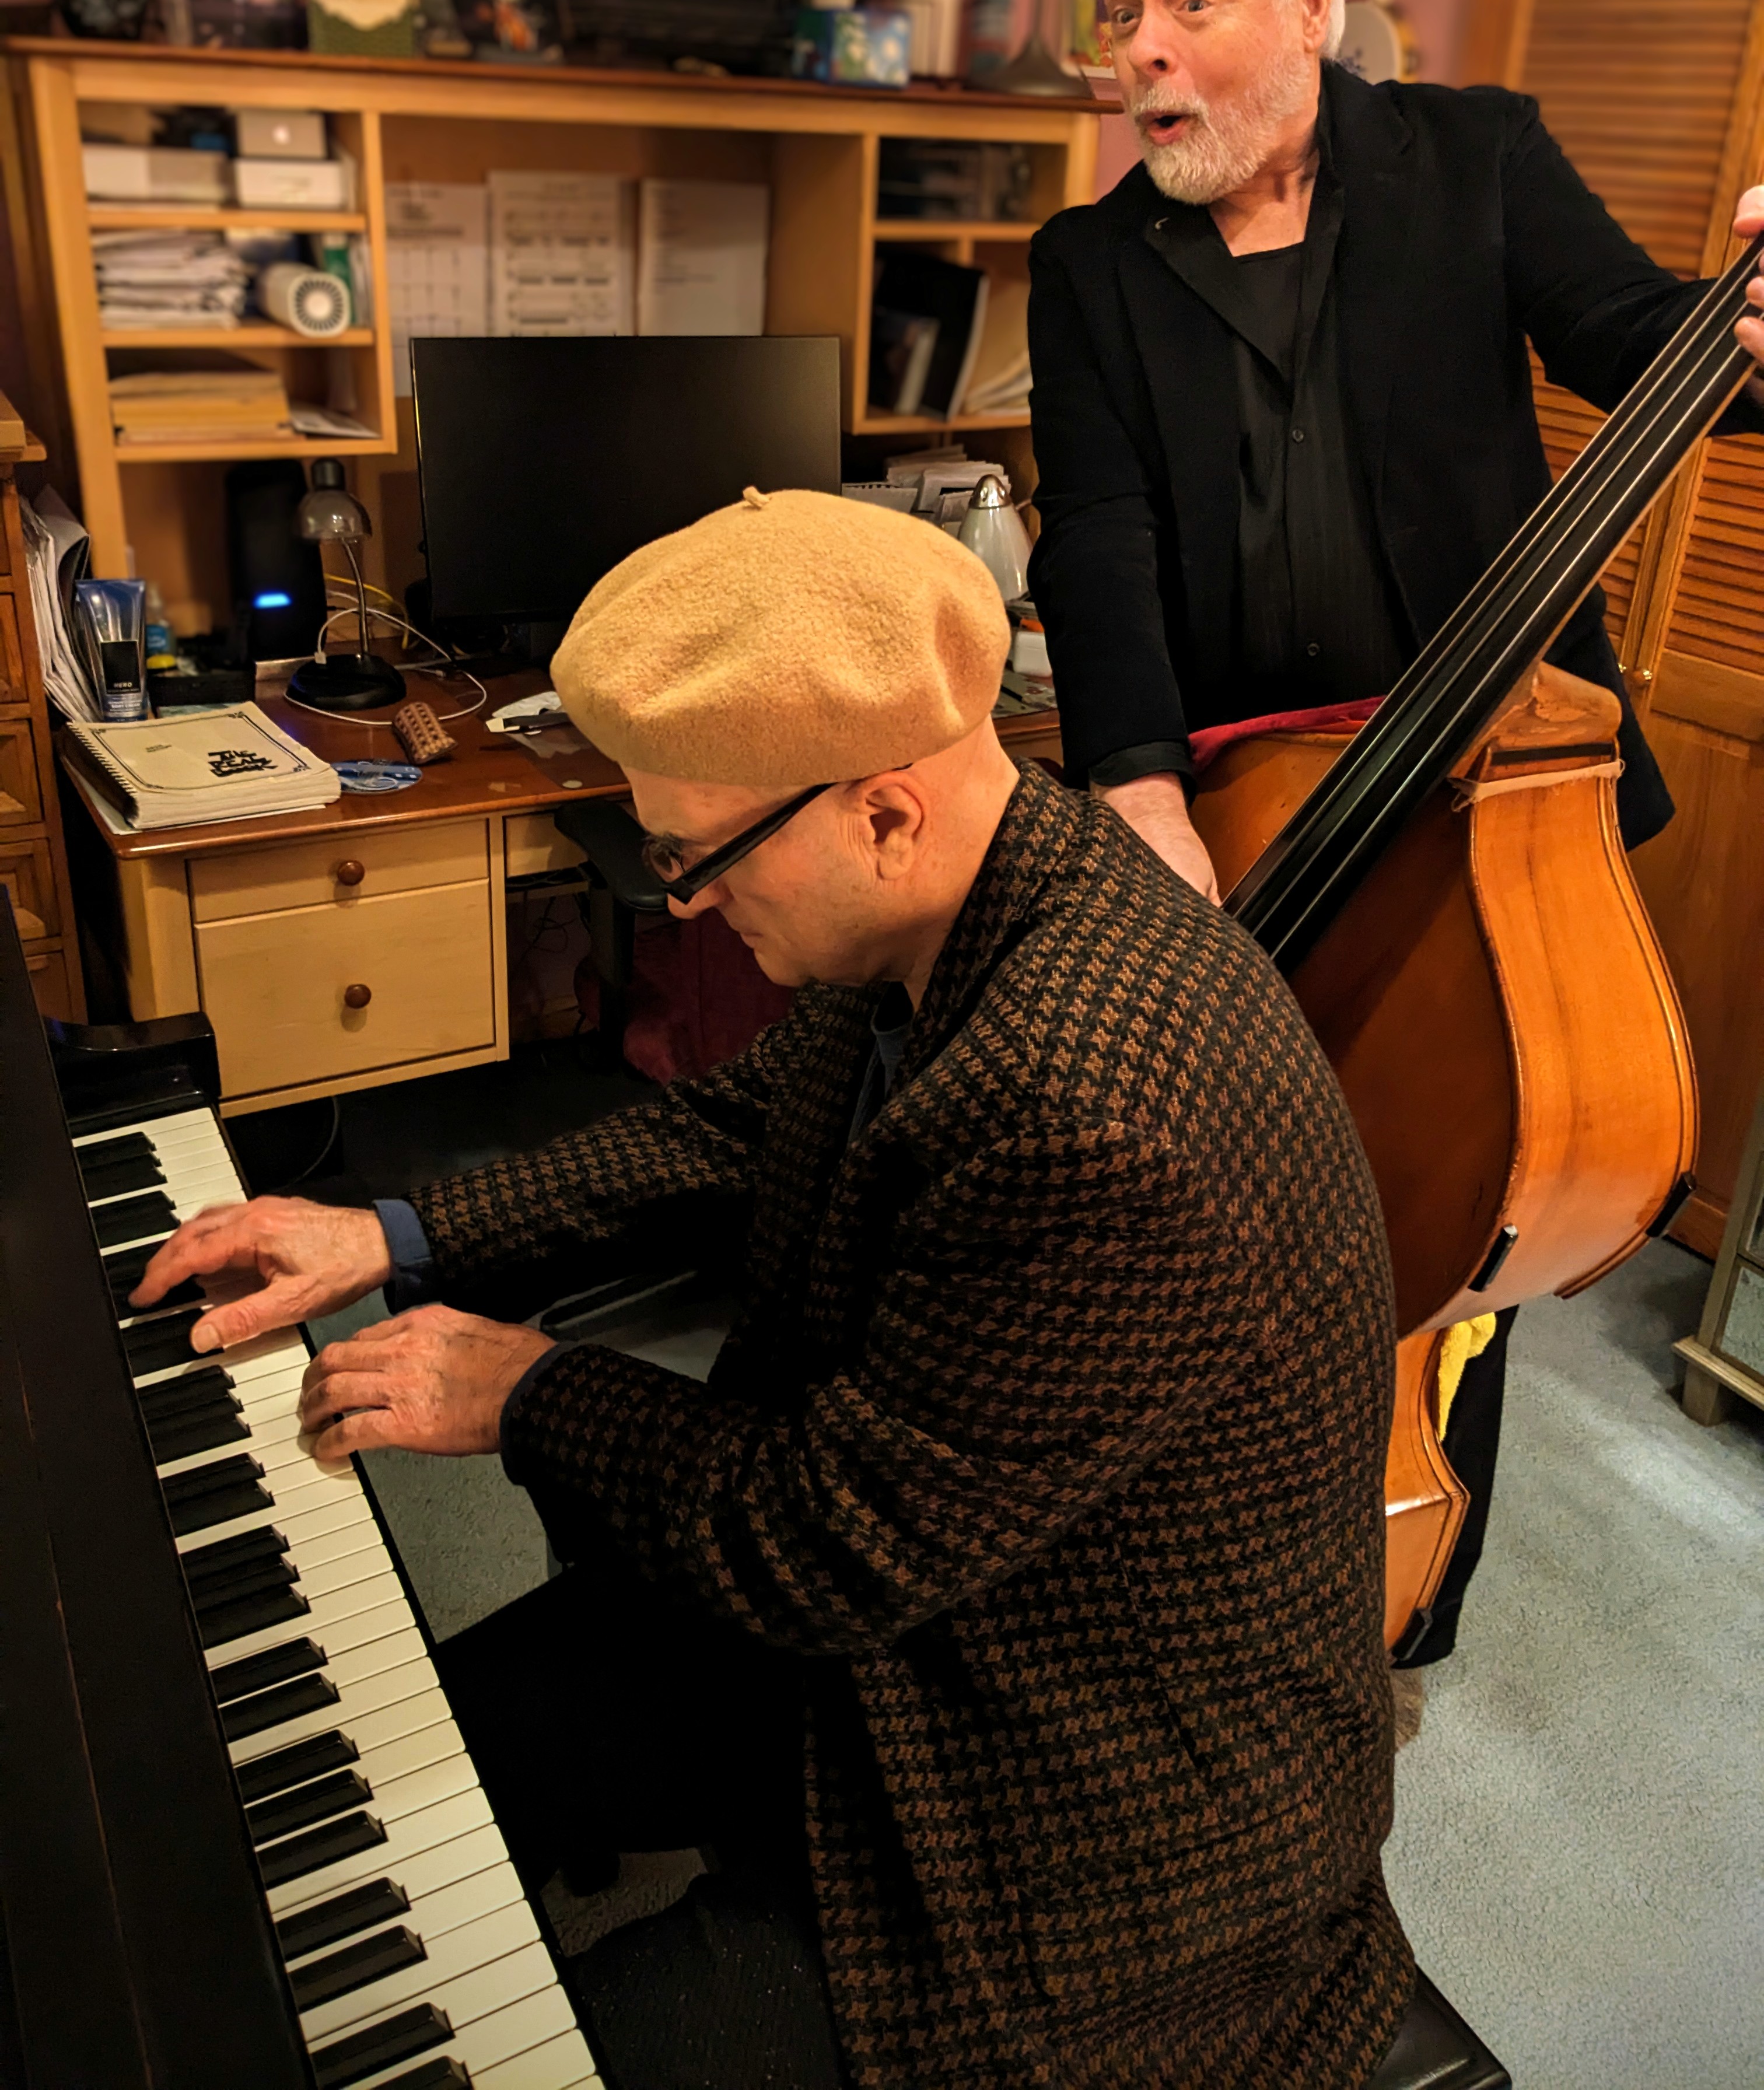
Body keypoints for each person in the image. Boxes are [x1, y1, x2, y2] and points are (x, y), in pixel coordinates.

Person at [137, 489, 1420, 2088]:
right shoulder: (987, 882)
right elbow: (733, 1127)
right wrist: (387, 1233)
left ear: (883, 814)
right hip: (909, 1616)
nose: (681, 903)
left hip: (1101, 1811)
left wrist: (525, 1389)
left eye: (693, 859)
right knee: (373, 1772)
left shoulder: (1092, 1110)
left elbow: (824, 1544)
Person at [1028, 0, 1764, 1673]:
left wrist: (1749, 329)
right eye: (1121, 16)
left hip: (1484, 798)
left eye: (1189, 5)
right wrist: (1136, 786)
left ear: (1316, 1)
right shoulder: (1088, 264)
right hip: (1236, 811)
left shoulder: (1476, 162)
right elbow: (1098, 534)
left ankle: (1394, 1598)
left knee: (1458, 1193)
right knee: (1202, 1183)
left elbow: (1643, 336)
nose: (1142, 55)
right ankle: (1169, 1535)